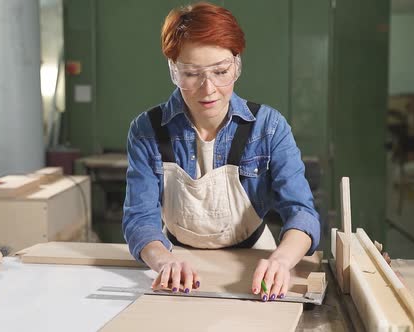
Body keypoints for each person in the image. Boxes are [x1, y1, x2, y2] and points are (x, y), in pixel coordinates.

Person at [122, 2, 320, 302]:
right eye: (191, 74)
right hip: (175, 262)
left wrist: (280, 261)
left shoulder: (268, 127)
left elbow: (302, 213)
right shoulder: (146, 130)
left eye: (221, 71)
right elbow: (139, 219)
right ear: (173, 70)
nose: (208, 88)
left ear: (236, 66)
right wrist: (164, 261)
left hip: (254, 259)